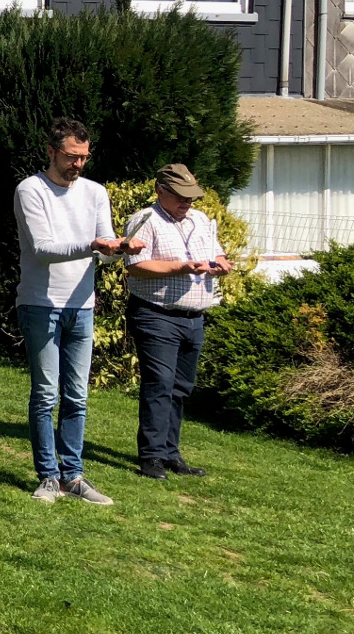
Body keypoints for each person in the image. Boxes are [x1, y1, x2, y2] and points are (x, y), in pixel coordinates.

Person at [13, 117, 138, 506]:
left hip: (82, 305)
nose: (78, 164)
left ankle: (74, 475)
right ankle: (48, 476)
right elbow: (43, 249)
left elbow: (101, 248)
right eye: (71, 156)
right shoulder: (30, 190)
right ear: (51, 152)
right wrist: (96, 245)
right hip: (40, 303)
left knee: (77, 396)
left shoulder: (95, 193)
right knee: (45, 393)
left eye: (84, 157)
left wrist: (118, 250)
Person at [122, 163, 229, 480]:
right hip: (157, 315)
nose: (187, 203)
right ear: (160, 191)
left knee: (181, 387)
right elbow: (135, 266)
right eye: (181, 197)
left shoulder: (200, 220)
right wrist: (180, 269)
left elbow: (216, 253)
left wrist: (221, 264)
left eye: (191, 197)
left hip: (194, 318)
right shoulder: (145, 220)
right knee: (160, 384)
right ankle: (151, 457)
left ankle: (171, 453)